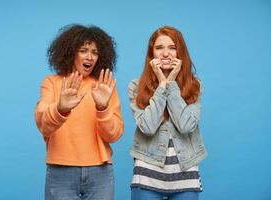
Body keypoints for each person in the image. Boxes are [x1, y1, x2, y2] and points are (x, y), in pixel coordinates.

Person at [35, 24, 124, 200]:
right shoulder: (52, 83)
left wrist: (102, 108)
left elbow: (114, 135)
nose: (90, 57)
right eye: (83, 50)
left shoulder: (104, 87)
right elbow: (44, 126)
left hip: (100, 173)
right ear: (70, 52)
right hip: (60, 172)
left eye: (95, 52)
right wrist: (61, 108)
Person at [128, 26, 207, 200]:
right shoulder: (136, 86)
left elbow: (186, 126)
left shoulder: (195, 85)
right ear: (152, 54)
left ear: (180, 53)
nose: (166, 53)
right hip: (147, 174)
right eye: (159, 48)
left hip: (185, 173)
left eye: (172, 47)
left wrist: (170, 84)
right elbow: (147, 127)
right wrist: (162, 85)